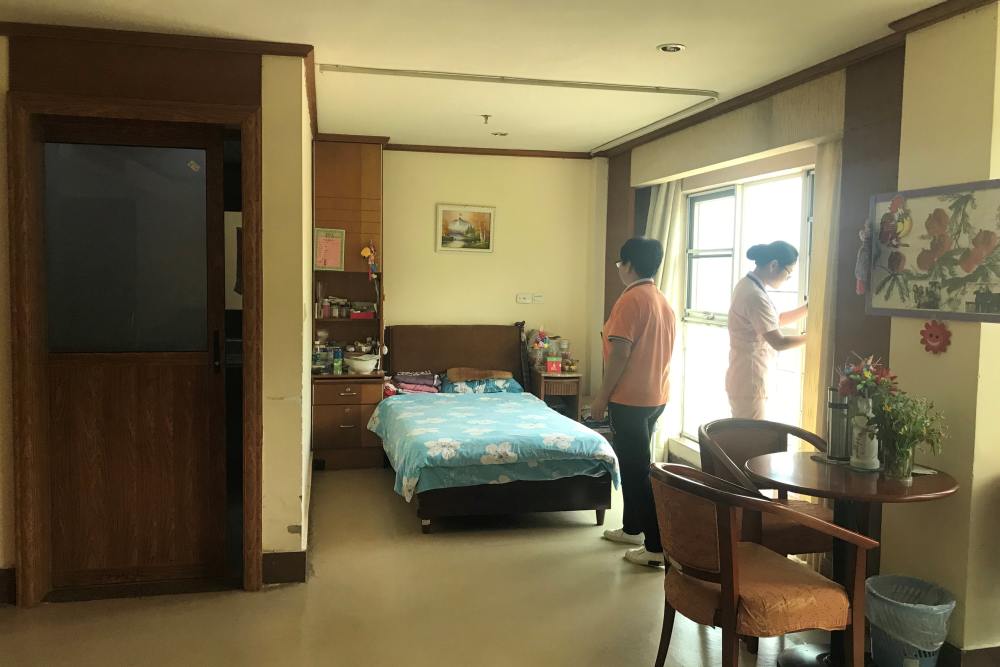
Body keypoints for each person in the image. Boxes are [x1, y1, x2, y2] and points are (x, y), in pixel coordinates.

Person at [591, 237, 676, 568]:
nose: (619, 270)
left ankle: (655, 547)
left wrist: (601, 397)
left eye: (619, 264)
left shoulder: (630, 301)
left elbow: (621, 353)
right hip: (656, 396)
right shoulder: (660, 299)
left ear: (628, 264)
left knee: (638, 470)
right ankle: (632, 528)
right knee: (635, 465)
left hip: (630, 398)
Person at [726, 241, 808, 420]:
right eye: (788, 273)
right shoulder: (755, 295)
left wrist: (808, 309)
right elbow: (779, 342)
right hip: (750, 379)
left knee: (746, 438)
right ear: (773, 265)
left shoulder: (748, 285)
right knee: (752, 440)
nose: (788, 279)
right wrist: (812, 337)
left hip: (744, 377)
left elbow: (774, 321)